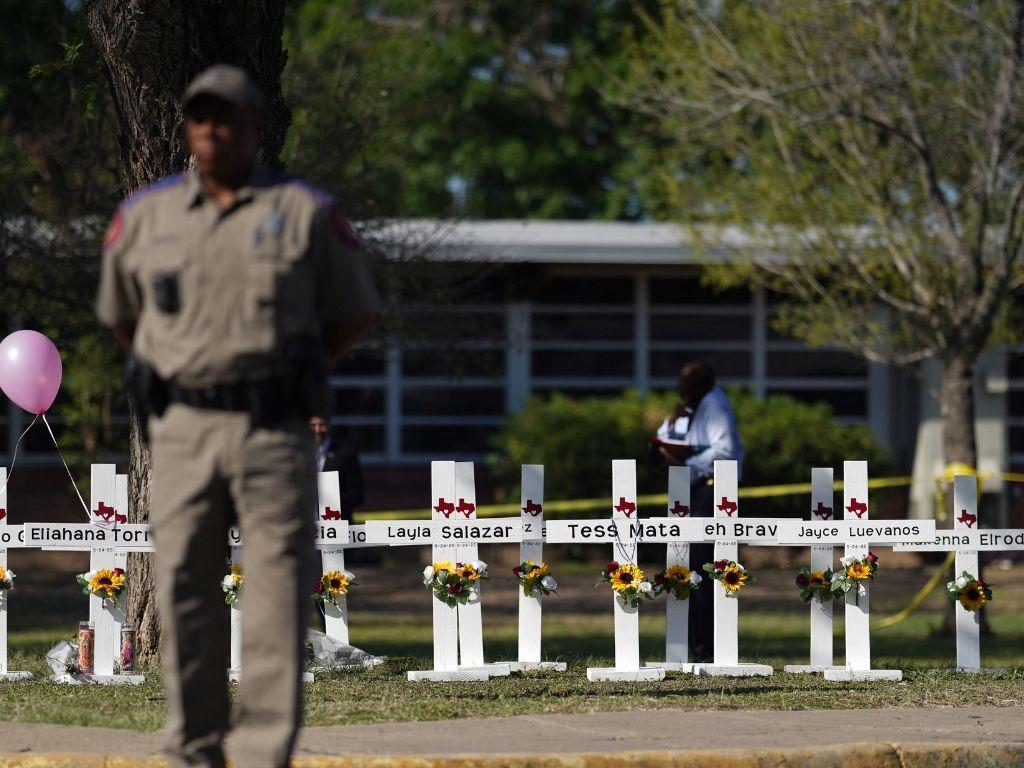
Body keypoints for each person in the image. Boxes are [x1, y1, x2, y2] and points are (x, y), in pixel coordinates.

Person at [96, 64, 378, 768]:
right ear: (187, 127)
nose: (212, 130)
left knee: (277, 597)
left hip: (273, 431)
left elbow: (353, 312)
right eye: (201, 117)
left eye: (227, 118)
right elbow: (121, 315)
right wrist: (181, 366)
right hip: (183, 433)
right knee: (184, 591)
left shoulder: (306, 213)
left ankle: (259, 756)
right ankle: (193, 750)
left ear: (256, 127)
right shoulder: (146, 216)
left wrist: (289, 372)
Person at [655, 362, 744, 663]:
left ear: (698, 384)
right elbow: (668, 438)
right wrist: (672, 423)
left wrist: (685, 465)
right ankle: (697, 645)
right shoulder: (691, 408)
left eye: (684, 382)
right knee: (685, 564)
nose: (679, 388)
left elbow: (726, 450)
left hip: (709, 491)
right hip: (691, 489)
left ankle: (707, 647)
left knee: (704, 569)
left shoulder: (714, 405)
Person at [309, 415, 365, 519]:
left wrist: (332, 501)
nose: (317, 430)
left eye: (322, 425)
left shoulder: (346, 454)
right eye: (313, 425)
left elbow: (357, 495)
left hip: (336, 522)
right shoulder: (296, 454)